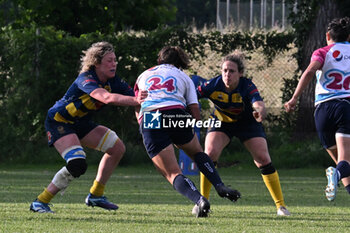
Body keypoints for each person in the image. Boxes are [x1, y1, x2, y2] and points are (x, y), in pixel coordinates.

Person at [30, 41, 147, 213]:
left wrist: (145, 119)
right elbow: (107, 98)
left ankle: (96, 195)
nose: (114, 64)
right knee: (77, 163)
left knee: (117, 148)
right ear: (96, 63)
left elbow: (137, 100)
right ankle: (40, 202)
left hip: (81, 123)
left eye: (115, 60)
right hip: (59, 121)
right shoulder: (86, 79)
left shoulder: (114, 81)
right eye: (109, 60)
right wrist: (137, 100)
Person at [134, 46, 241, 218]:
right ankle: (219, 185)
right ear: (179, 63)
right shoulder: (183, 76)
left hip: (151, 116)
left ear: (159, 60)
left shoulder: (144, 75)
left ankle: (199, 200)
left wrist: (144, 126)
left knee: (172, 173)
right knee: (197, 152)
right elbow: (194, 110)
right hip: (176, 112)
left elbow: (137, 104)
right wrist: (188, 127)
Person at [195, 51, 291, 216]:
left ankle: (281, 206)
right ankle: (202, 201)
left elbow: (259, 105)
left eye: (232, 71)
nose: (227, 74)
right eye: (224, 70)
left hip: (247, 123)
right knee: (209, 155)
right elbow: (191, 96)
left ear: (240, 73)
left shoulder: (247, 85)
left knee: (263, 159)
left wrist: (259, 112)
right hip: (221, 122)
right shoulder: (213, 84)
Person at [284, 17, 350, 201]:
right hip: (344, 108)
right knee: (345, 161)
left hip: (322, 111)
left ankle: (335, 177)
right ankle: (334, 176)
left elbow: (310, 72)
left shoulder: (322, 51)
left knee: (342, 163)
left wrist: (294, 98)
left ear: (327, 35)